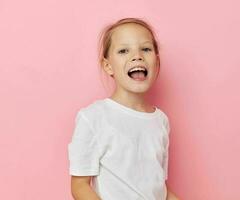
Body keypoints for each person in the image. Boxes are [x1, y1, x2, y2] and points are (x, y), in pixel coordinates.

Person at [68, 17, 180, 200]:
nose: (137, 56)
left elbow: (160, 189)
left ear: (156, 62)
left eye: (146, 49)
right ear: (108, 66)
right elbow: (79, 186)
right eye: (123, 50)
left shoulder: (161, 121)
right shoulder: (93, 117)